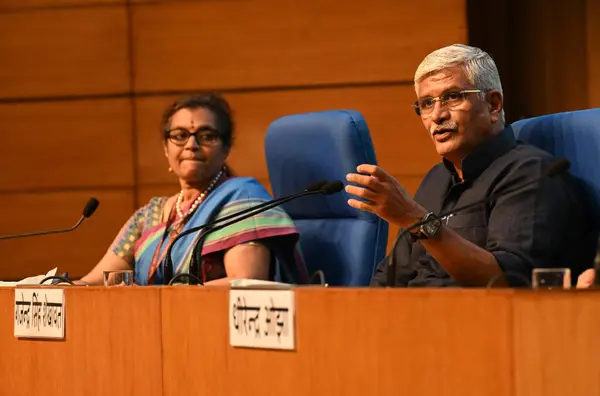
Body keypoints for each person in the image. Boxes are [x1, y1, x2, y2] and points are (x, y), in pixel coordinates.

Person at [345, 44, 597, 287]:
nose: (437, 115)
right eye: (426, 103)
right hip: (415, 319)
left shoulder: (532, 174)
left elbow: (506, 282)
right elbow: (389, 282)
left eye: (452, 97)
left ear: (494, 105)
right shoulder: (435, 179)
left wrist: (416, 219)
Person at [77, 92, 308, 286]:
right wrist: (50, 285)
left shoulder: (243, 201)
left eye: (206, 136)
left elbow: (245, 284)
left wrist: (160, 299)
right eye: (179, 136)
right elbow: (95, 282)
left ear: (226, 148)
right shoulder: (148, 216)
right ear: (166, 148)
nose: (191, 145)